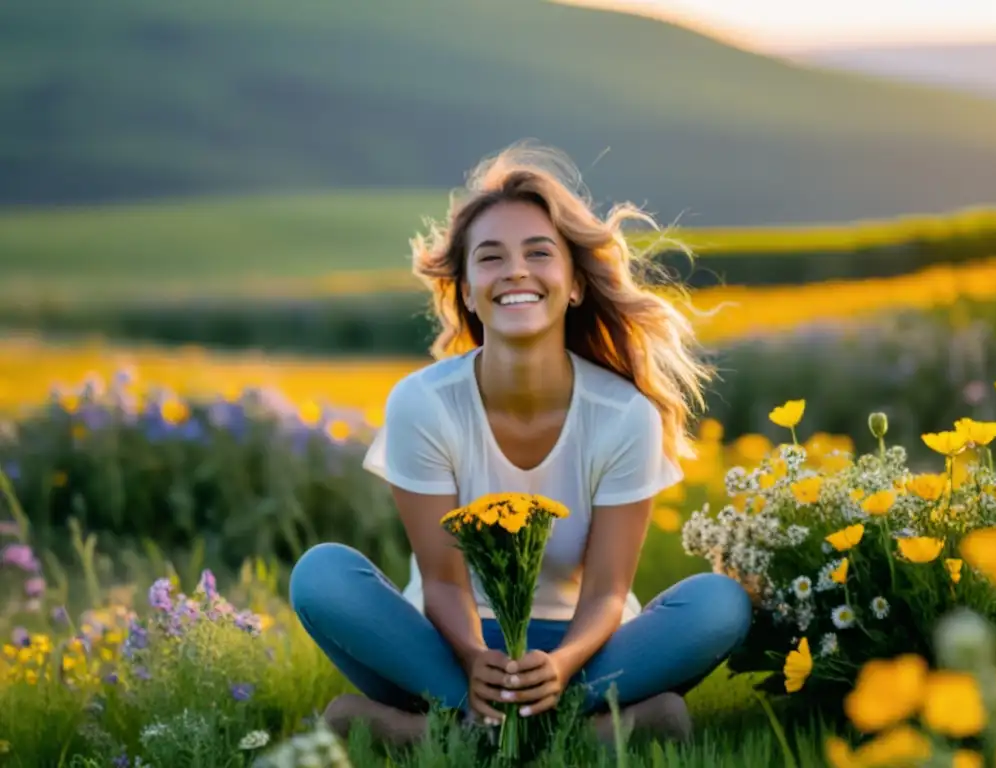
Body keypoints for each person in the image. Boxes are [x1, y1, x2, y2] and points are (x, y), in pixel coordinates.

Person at [289, 141, 752, 747]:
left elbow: (608, 592)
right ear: (467, 288)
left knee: (721, 603)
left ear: (576, 284)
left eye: (539, 252)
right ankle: (574, 736)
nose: (516, 271)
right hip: (449, 650)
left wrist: (560, 667)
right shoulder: (422, 404)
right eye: (490, 257)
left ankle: (440, 737)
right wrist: (474, 660)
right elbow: (444, 583)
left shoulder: (624, 416)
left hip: (583, 652)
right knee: (320, 574)